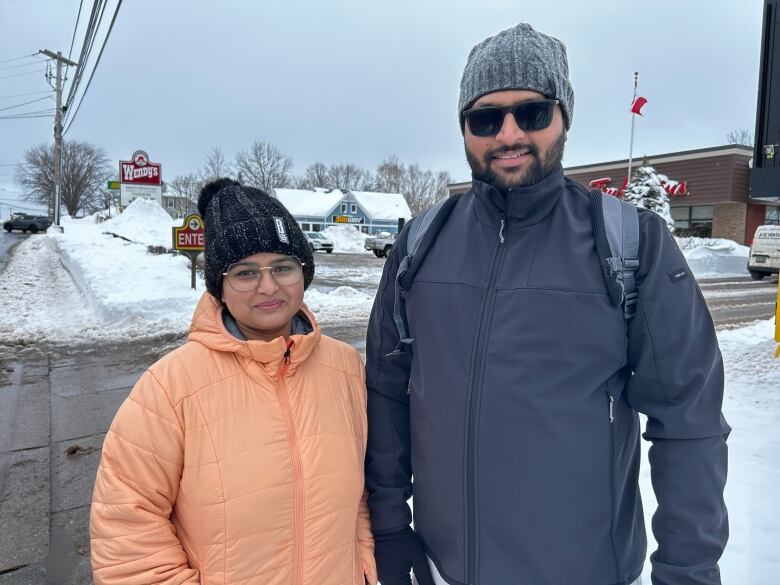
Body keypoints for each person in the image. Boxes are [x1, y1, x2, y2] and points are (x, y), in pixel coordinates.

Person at [364, 23, 729, 585]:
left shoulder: (631, 245)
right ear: (464, 128)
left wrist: (689, 569)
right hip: (443, 569)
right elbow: (387, 396)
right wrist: (389, 528)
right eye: (485, 118)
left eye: (532, 113)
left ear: (564, 118)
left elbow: (688, 422)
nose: (508, 133)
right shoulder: (420, 244)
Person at [90, 178, 377, 585]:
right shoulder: (169, 386)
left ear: (304, 272)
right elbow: (127, 529)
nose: (268, 286)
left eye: (283, 266)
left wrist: (363, 562)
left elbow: (364, 491)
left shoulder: (345, 367)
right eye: (245, 272)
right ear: (220, 287)